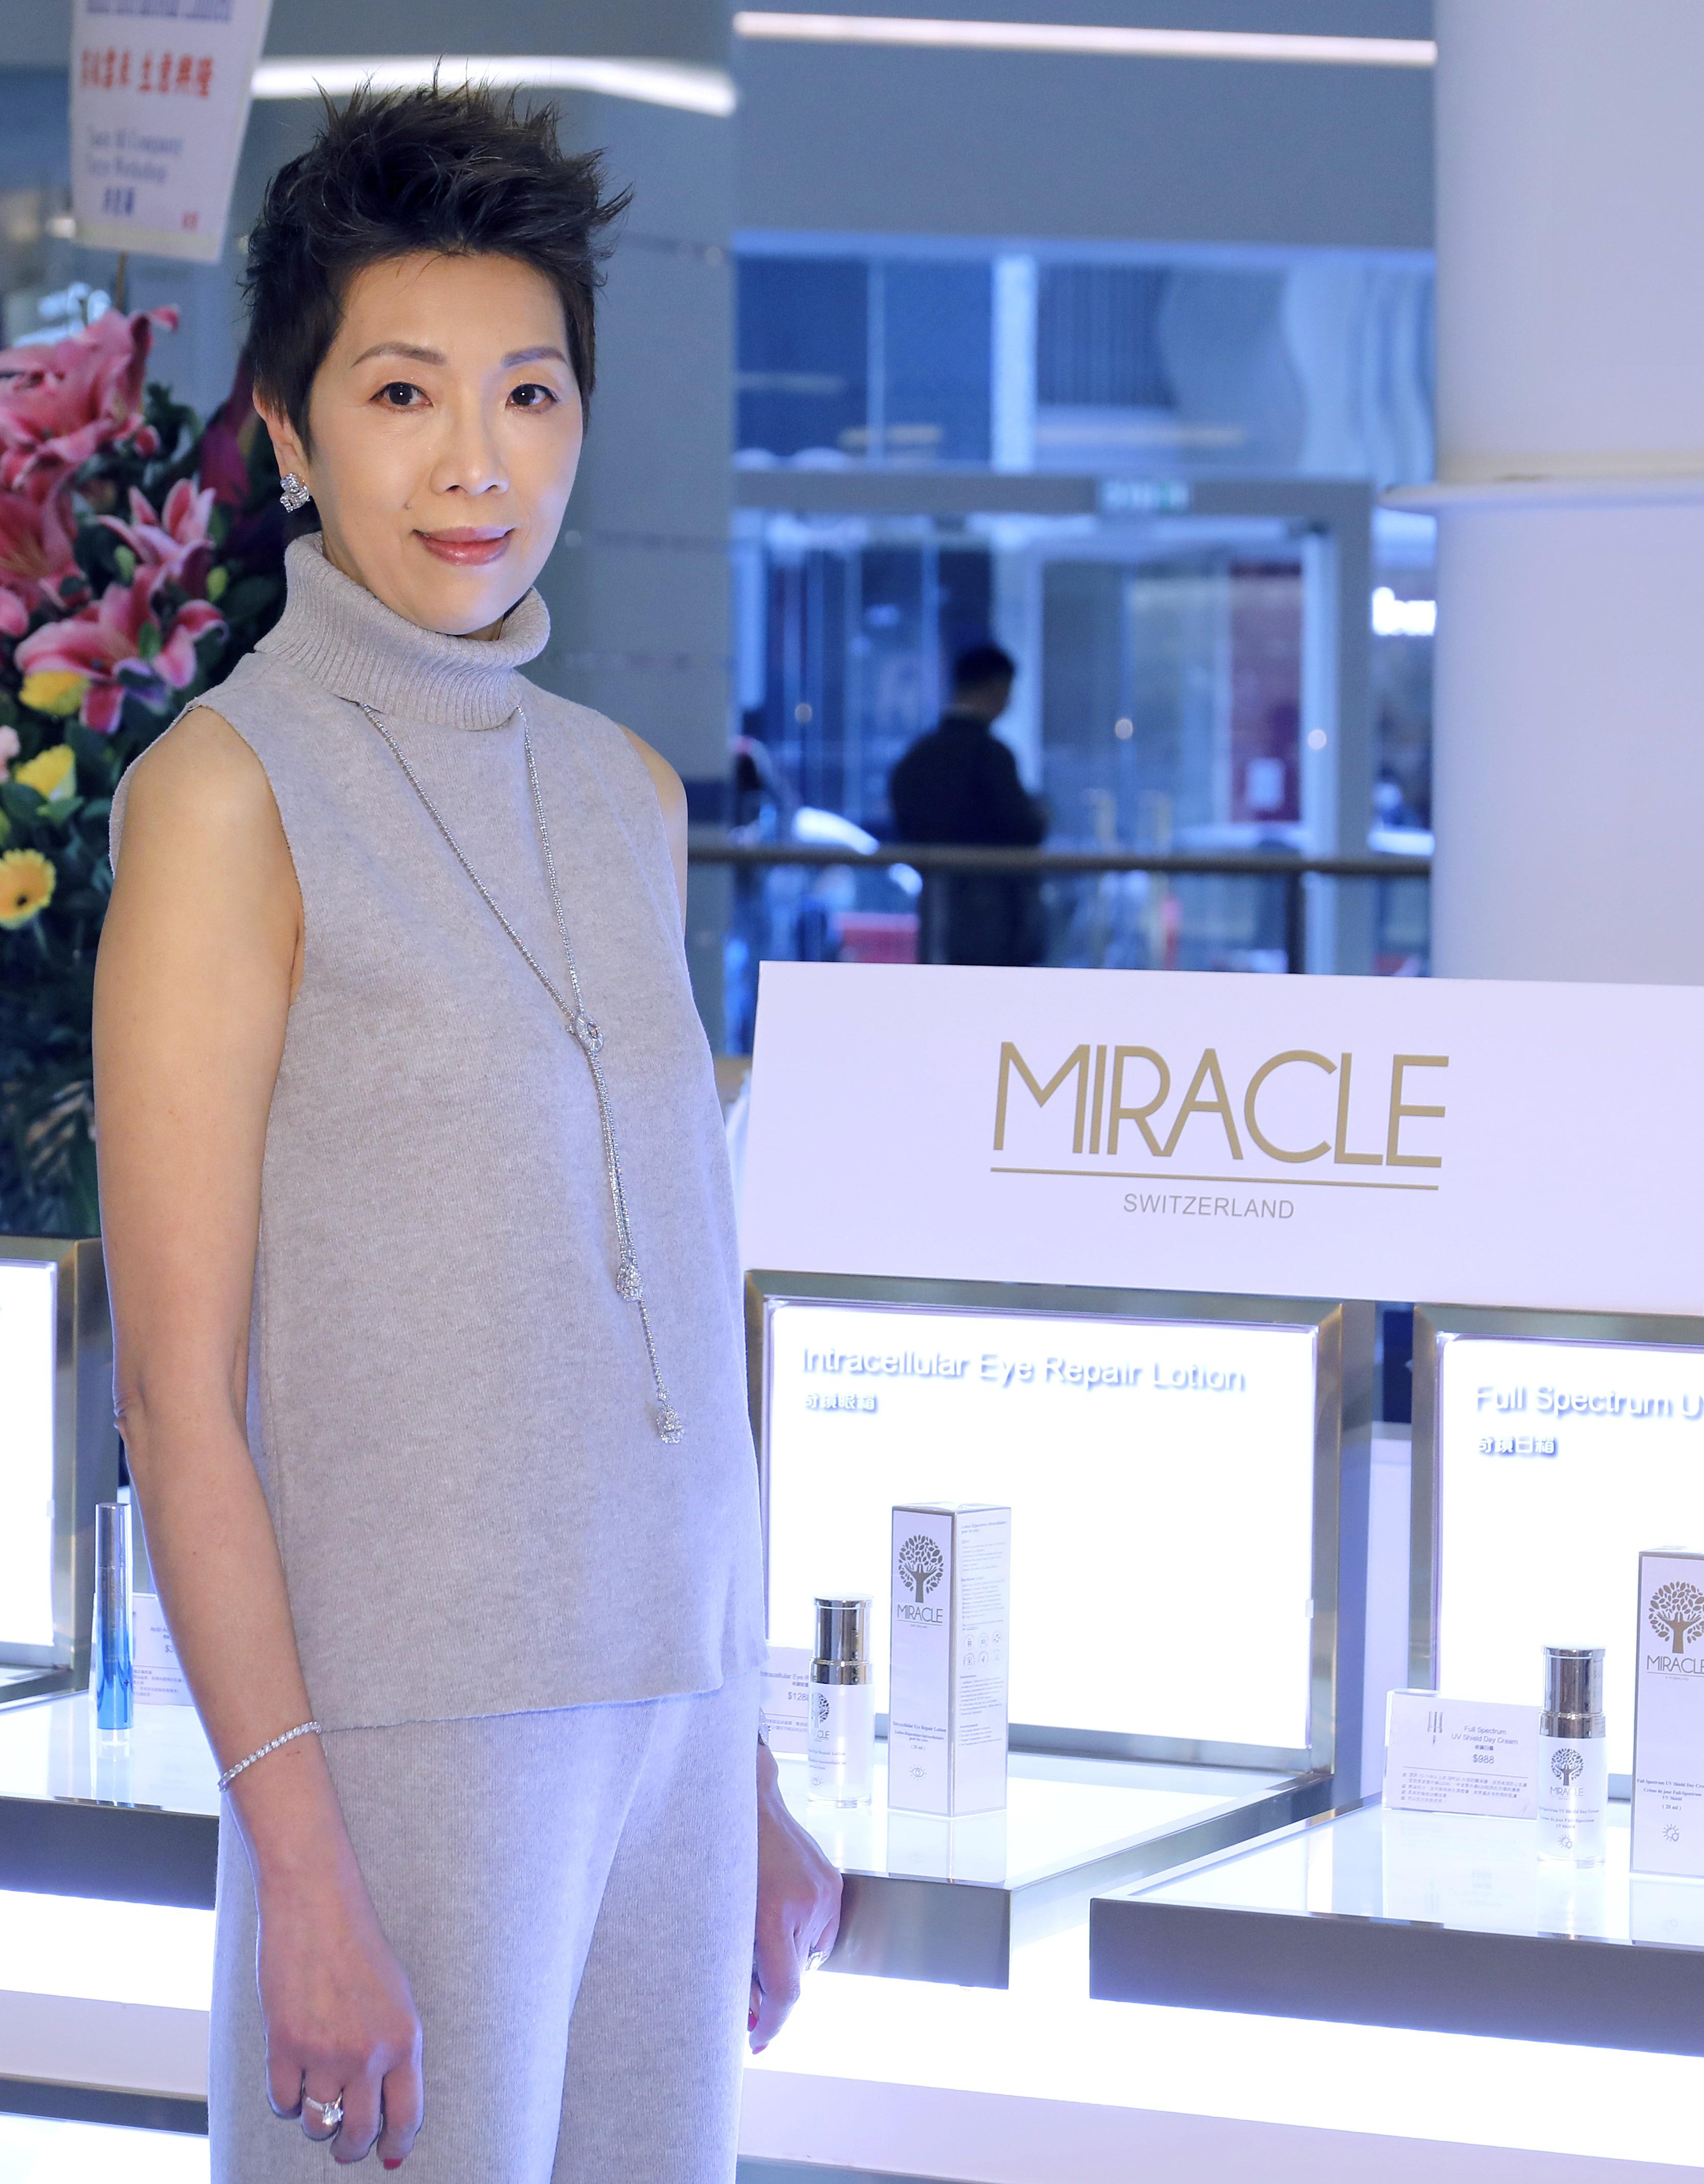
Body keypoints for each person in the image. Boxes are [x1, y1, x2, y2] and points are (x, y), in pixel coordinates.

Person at [93, 88, 842, 2182]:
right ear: (288, 426)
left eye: (527, 392)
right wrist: (300, 1867)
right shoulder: (226, 794)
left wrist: (746, 1769)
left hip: (674, 1745)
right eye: (401, 391)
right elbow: (175, 1396)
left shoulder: (626, 792)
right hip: (405, 1748)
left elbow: (674, 1322)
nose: (473, 460)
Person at [885, 642, 1048, 965]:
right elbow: (1024, 827)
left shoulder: (917, 758)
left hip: (936, 904)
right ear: (997, 688)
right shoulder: (992, 756)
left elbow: (906, 827)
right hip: (996, 910)